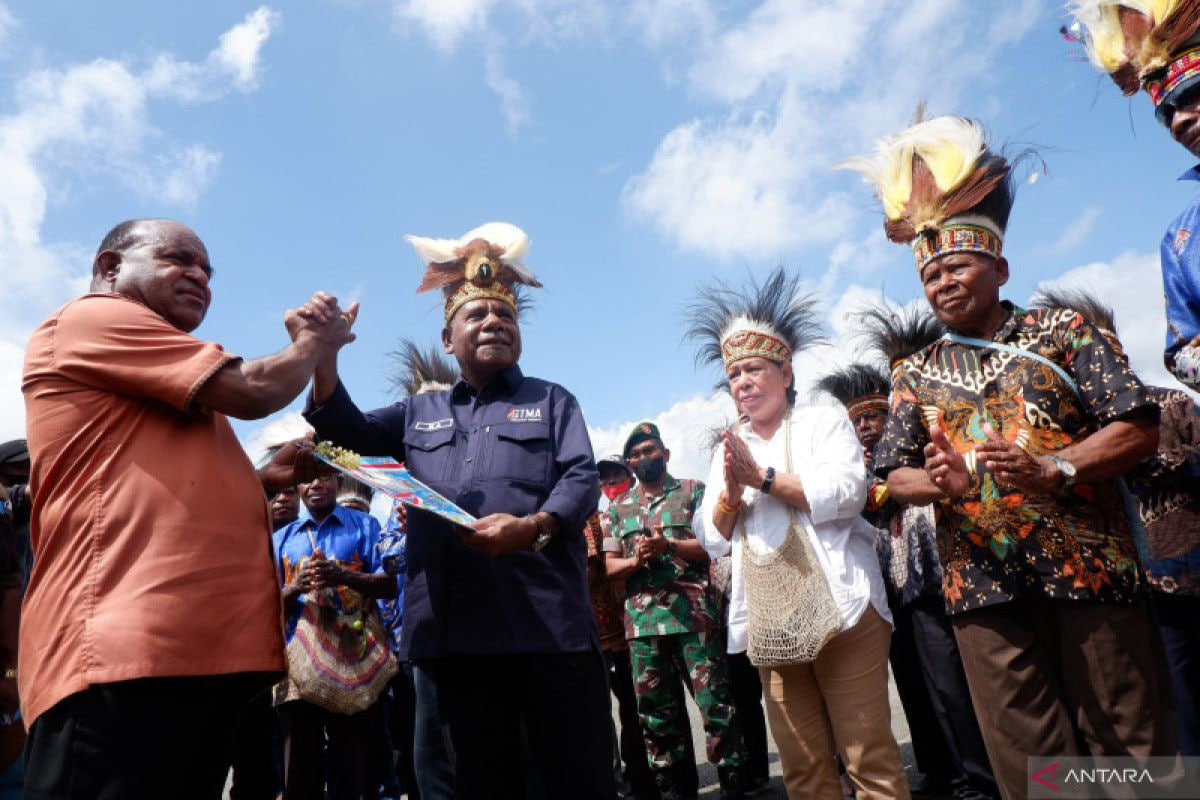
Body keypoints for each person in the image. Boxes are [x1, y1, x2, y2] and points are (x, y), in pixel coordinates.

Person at [844, 116, 1177, 798]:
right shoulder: (913, 373)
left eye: (957, 266)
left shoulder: (1064, 332)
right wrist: (939, 483)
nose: (942, 282)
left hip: (1090, 573)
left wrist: (1058, 466)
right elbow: (892, 477)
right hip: (981, 589)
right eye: (930, 274)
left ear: (999, 268)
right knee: (1033, 761)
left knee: (1129, 745)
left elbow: (1137, 426)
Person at [19, 218, 355, 798]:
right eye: (178, 259)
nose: (200, 276)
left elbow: (158, 485)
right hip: (120, 654)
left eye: (207, 270)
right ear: (110, 268)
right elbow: (254, 389)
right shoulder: (93, 318)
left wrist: (261, 481)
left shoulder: (165, 375)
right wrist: (314, 343)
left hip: (194, 656)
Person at [301, 222, 610, 799]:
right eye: (478, 315)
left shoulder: (551, 400)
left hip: (549, 631)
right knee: (478, 784)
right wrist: (324, 357)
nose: (495, 322)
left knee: (574, 780)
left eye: (506, 315)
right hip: (455, 639)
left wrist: (534, 527)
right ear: (448, 338)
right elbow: (344, 438)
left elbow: (581, 478)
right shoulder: (418, 413)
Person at [687, 267, 907, 800]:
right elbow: (711, 535)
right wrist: (730, 492)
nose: (742, 382)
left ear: (786, 372)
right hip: (772, 620)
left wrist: (761, 478)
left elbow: (848, 492)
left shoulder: (822, 420)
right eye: (733, 374)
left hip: (845, 607)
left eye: (754, 369)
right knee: (804, 770)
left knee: (869, 758)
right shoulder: (728, 446)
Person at [1030, 285, 1200, 757]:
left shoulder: (1170, 405)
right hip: (1114, 587)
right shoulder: (1060, 438)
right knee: (1152, 707)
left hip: (1185, 574)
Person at [817, 357, 997, 800]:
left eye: (874, 417)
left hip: (928, 581)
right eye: (857, 421)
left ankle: (975, 779)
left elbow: (889, 493)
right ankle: (937, 771)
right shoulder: (850, 466)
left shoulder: (914, 456)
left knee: (948, 683)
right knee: (912, 686)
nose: (865, 427)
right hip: (885, 591)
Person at [603, 424, 745, 800]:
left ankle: (733, 781)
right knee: (656, 714)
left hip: (693, 616)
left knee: (715, 703)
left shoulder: (693, 491)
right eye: (635, 455)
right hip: (643, 625)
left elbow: (714, 543)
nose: (643, 458)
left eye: (650, 450)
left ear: (665, 454)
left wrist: (669, 546)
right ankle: (675, 789)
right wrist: (636, 560)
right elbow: (609, 566)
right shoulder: (616, 509)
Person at [1067, 2, 1200, 389]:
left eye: (1192, 95)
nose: (1178, 121)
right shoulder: (1181, 240)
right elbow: (1179, 354)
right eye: (1166, 113)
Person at [272, 467, 394, 800]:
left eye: (324, 476)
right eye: (307, 478)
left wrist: (342, 576)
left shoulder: (366, 526)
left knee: (353, 764)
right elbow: (264, 602)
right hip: (297, 666)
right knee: (299, 767)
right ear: (297, 487)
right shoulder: (281, 538)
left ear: (339, 481)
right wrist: (297, 585)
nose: (315, 484)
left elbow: (390, 585)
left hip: (355, 661)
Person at [590, 455, 659, 800]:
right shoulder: (594, 519)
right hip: (597, 635)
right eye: (604, 479)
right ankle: (616, 785)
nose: (610, 484)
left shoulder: (637, 515)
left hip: (633, 627)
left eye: (616, 476)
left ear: (630, 477)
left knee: (638, 711)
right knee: (600, 717)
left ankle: (642, 780)